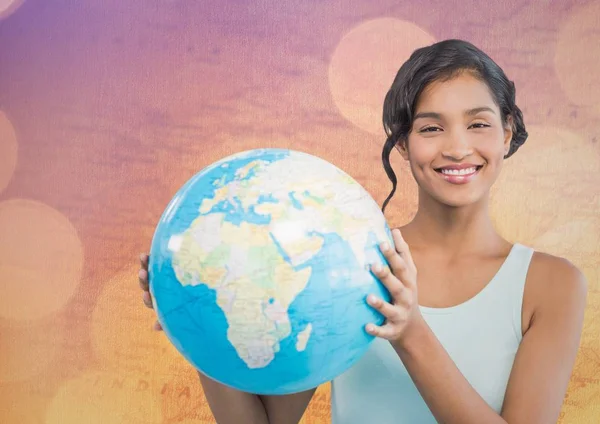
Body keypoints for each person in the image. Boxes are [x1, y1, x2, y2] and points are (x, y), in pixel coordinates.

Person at [137, 39, 587, 423]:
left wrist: (409, 331)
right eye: (431, 127)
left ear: (507, 133)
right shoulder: (348, 256)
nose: (457, 147)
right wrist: (201, 313)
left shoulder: (552, 284)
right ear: (403, 141)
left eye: (479, 124)